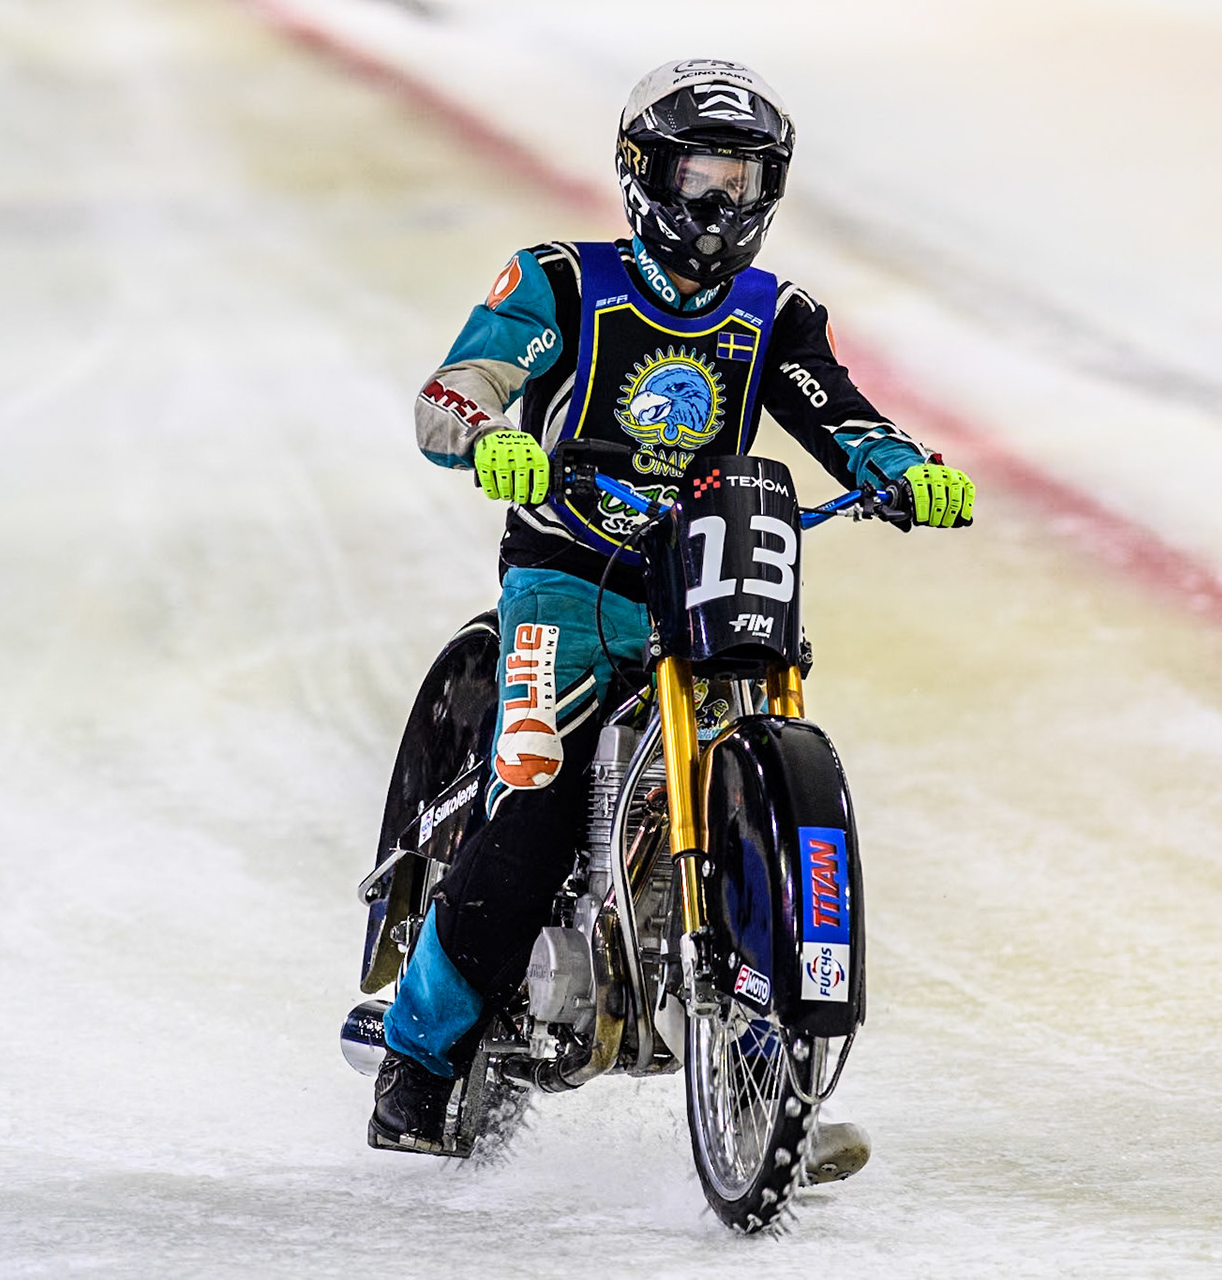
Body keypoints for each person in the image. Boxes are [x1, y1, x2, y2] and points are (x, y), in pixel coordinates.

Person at [372, 58, 974, 1155]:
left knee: (766, 767)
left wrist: (901, 468)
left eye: (746, 182)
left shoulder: (775, 314)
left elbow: (840, 415)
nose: (723, 204)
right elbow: (457, 391)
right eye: (703, 177)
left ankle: (778, 1066)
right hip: (568, 579)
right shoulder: (560, 283)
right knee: (534, 794)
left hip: (706, 578)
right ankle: (415, 1061)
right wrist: (490, 435)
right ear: (646, 175)